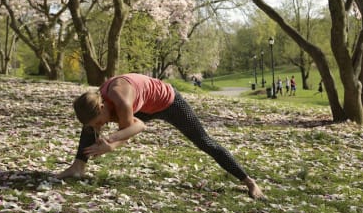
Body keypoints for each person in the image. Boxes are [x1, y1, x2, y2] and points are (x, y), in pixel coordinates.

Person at [57, 73, 264, 199]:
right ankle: (78, 168)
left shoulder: (121, 101)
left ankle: (249, 181)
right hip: (144, 104)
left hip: (169, 103)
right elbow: (111, 125)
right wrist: (98, 131)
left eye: (100, 121)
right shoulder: (95, 100)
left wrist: (110, 144)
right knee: (88, 128)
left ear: (102, 107)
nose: (100, 126)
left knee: (204, 141)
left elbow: (136, 127)